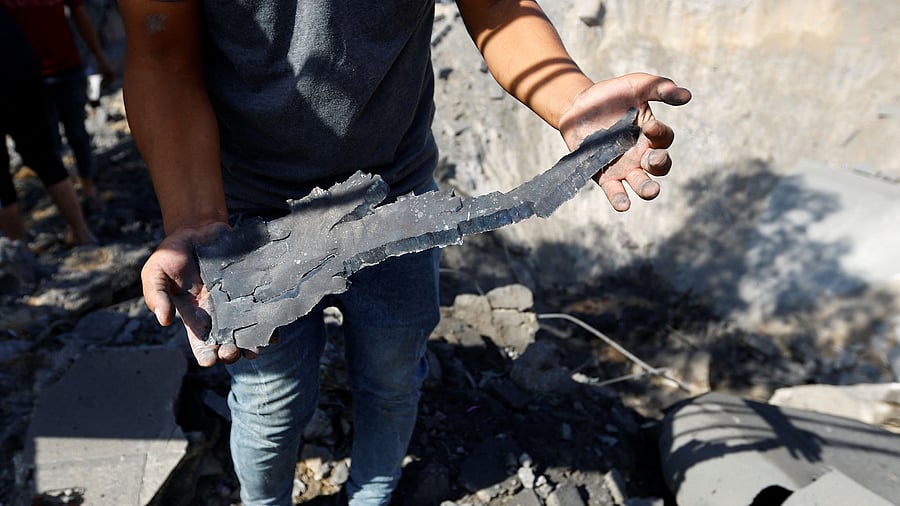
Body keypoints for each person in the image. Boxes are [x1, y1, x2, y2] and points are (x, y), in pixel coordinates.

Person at [119, 1, 691, 505]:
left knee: (392, 376)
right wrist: (195, 217)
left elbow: (495, 5)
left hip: (397, 202)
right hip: (245, 220)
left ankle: (373, 494)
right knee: (271, 401)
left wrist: (570, 99)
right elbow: (162, 50)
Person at [2, 0, 116, 214]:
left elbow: (80, 14)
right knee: (48, 145)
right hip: (26, 81)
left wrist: (100, 57)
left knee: (77, 133)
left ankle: (88, 189)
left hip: (67, 69)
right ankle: (69, 202)